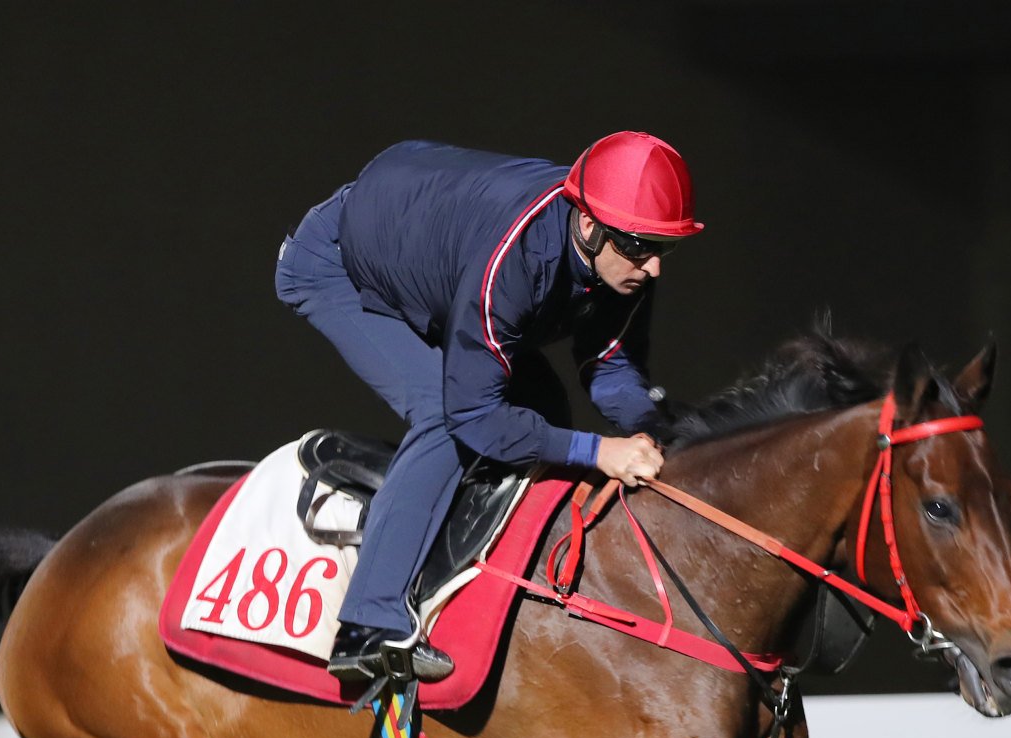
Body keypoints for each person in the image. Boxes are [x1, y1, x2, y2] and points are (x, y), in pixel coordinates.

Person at [274, 132, 703, 683]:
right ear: (589, 227)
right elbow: (472, 416)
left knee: (545, 408)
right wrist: (600, 450)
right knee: (441, 415)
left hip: (438, 263)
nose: (655, 268)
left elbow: (609, 366)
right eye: (642, 248)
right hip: (337, 265)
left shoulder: (623, 251)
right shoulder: (517, 258)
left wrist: (652, 429)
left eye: (665, 248)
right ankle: (367, 625)